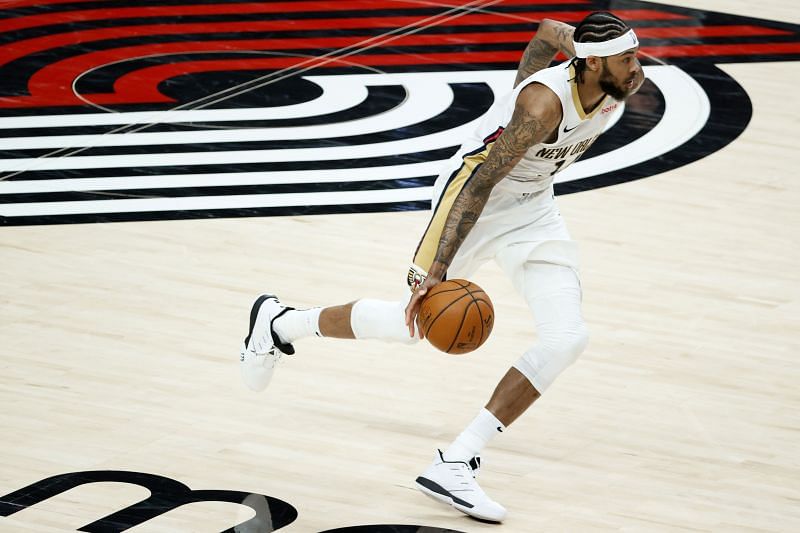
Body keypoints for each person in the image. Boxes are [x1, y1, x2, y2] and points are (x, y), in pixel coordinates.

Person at [239, 11, 645, 523]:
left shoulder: (614, 76)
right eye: (627, 58)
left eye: (635, 55)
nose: (637, 67)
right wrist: (437, 271)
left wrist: (524, 77)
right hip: (474, 200)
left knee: (568, 337)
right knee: (414, 326)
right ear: (591, 65)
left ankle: (457, 461)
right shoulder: (543, 107)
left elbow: (547, 31)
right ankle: (280, 323)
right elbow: (479, 185)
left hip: (534, 207)